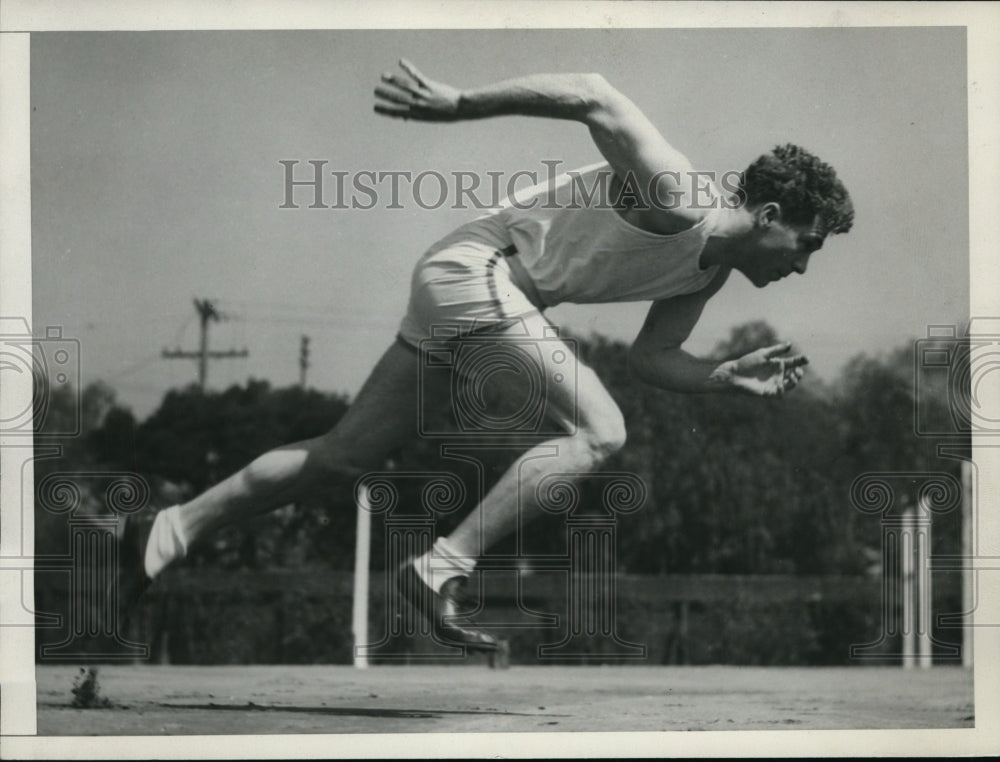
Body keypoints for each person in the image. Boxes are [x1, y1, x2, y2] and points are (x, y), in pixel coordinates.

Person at [114, 60, 853, 653]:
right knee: (602, 432)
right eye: (808, 246)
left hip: (465, 281)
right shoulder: (683, 197)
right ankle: (438, 571)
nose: (804, 266)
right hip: (480, 272)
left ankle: (170, 529)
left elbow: (653, 359)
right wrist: (461, 104)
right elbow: (594, 94)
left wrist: (721, 376)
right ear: (771, 217)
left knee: (344, 454)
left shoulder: (708, 269)